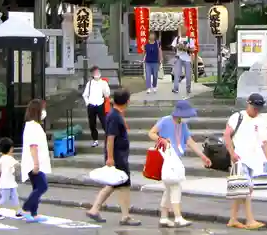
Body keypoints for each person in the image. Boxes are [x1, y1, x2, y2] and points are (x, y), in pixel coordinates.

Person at [148, 100, 212, 228]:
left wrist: (202, 156)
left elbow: (189, 141)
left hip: (176, 158)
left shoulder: (182, 125)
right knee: (175, 185)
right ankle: (178, 217)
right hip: (167, 157)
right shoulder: (165, 120)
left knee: (169, 188)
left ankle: (164, 217)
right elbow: (151, 133)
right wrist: (162, 140)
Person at [86, 88, 141, 226]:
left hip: (119, 154)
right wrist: (110, 158)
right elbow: (110, 138)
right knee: (123, 184)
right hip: (117, 156)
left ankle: (95, 209)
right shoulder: (114, 116)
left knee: (115, 184)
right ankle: (125, 216)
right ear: (127, 101)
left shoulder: (115, 114)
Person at [223, 93, 267, 230]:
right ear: (248, 104)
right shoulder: (238, 117)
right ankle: (250, 220)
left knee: (243, 190)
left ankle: (233, 219)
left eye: (259, 108)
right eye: (254, 107)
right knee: (246, 189)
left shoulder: (260, 120)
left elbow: (264, 142)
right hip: (239, 158)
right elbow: (227, 134)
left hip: (252, 159)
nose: (256, 110)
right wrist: (232, 153)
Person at [21, 99, 51, 223]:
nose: (44, 112)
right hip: (33, 163)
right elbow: (33, 146)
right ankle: (26, 208)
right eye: (42, 109)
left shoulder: (34, 125)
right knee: (43, 186)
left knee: (36, 188)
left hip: (35, 162)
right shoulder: (33, 126)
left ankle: (34, 213)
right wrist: (36, 164)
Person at [0, 137, 22, 219]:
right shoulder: (10, 158)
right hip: (7, 183)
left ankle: (18, 212)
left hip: (7, 183)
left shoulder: (2, 158)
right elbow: (17, 165)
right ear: (10, 149)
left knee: (14, 197)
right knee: (5, 199)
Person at [83, 66, 111, 147]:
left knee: (104, 122)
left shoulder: (103, 83)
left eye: (98, 72)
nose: (97, 74)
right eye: (95, 72)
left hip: (100, 104)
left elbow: (107, 94)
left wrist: (104, 88)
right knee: (92, 123)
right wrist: (88, 103)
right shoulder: (90, 83)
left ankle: (109, 138)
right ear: (92, 74)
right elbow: (85, 95)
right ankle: (95, 140)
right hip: (91, 105)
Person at [171, 25, 195, 95]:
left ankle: (188, 89)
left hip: (187, 59)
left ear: (186, 31)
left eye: (184, 30)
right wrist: (177, 47)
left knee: (188, 75)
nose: (183, 31)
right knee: (177, 74)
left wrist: (186, 48)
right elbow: (173, 47)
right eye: (182, 30)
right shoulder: (177, 39)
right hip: (179, 58)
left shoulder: (189, 39)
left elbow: (193, 49)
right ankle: (175, 89)